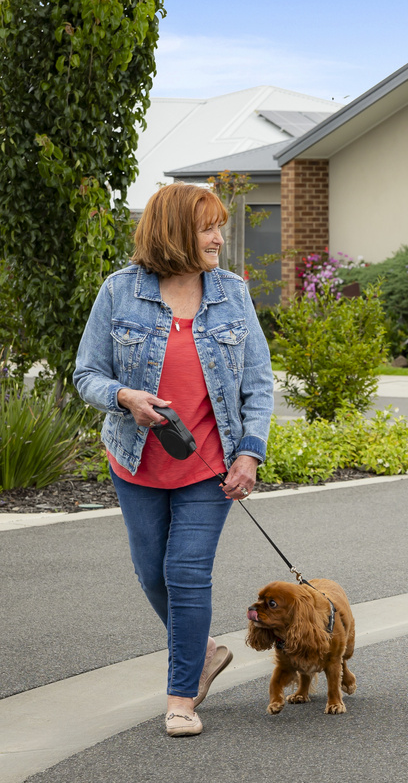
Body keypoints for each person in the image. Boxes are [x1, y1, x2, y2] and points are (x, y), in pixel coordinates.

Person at [74, 183, 274, 736]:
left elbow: (258, 383)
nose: (219, 238)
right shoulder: (119, 292)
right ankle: (204, 651)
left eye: (219, 227)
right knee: (150, 572)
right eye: (208, 227)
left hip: (210, 466)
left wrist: (250, 455)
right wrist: (124, 397)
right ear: (175, 232)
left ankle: (181, 698)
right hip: (136, 461)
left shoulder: (232, 293)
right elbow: (86, 373)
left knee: (186, 573)